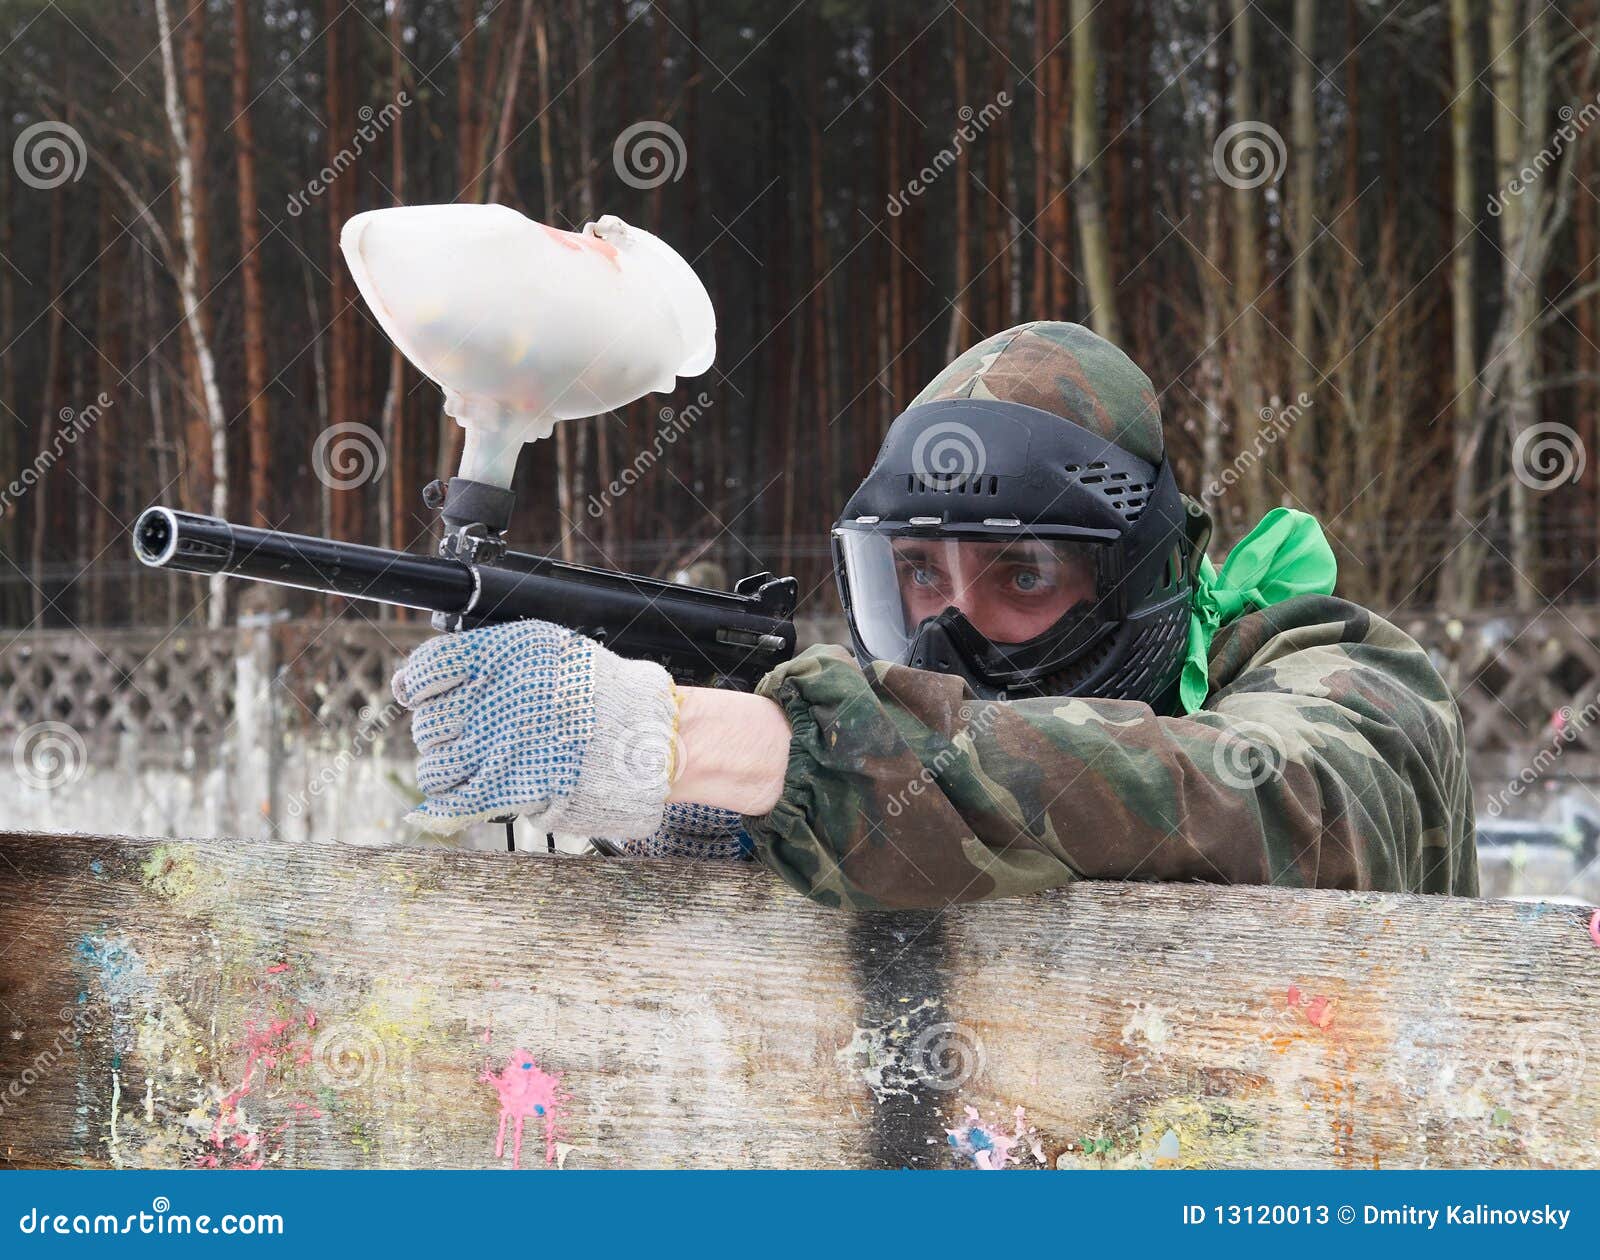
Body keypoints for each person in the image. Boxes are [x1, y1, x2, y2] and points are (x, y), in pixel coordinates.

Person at [390, 322, 1478, 909]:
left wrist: (738, 745)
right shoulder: (929, 757)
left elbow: (1284, 804)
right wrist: (718, 826)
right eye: (914, 576)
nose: (949, 632)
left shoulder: (1338, 672)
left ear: (1136, 578)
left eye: (1023, 578)